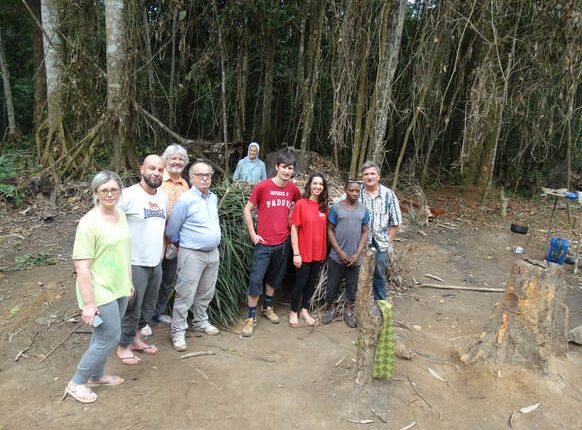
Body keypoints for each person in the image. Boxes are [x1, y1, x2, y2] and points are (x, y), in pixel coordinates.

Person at [64, 171, 132, 403]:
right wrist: (89, 304)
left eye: (114, 189)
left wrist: (129, 281)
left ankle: (97, 375)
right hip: (98, 288)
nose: (110, 194)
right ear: (95, 193)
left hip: (119, 284)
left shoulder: (121, 215)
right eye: (104, 190)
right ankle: (77, 381)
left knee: (103, 334)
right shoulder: (88, 224)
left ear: (120, 191)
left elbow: (125, 251)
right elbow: (82, 267)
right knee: (110, 336)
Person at [241, 152, 301, 337]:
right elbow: (248, 209)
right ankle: (251, 316)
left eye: (290, 168)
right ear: (276, 167)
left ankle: (267, 307)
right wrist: (253, 234)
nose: (286, 171)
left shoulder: (293, 189)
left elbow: (300, 207)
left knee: (275, 278)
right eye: (283, 167)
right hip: (264, 243)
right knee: (256, 280)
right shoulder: (263, 186)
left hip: (282, 243)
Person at [116, 155, 168, 365]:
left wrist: (163, 252)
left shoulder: (163, 197)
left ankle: (136, 339)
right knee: (132, 306)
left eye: (159, 169)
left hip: (155, 261)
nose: (156, 173)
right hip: (133, 261)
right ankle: (123, 346)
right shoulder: (127, 195)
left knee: (148, 305)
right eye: (152, 168)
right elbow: (112, 225)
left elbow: (161, 227)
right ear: (142, 169)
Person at [167, 161, 221, 352]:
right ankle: (178, 331)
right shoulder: (186, 199)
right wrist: (182, 244)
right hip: (192, 254)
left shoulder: (213, 198)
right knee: (185, 293)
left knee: (206, 291)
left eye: (208, 174)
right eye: (200, 175)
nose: (205, 178)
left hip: (213, 253)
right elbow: (172, 228)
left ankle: (200, 321)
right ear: (191, 178)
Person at [322, 179, 369, 328]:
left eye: (357, 191)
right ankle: (332, 309)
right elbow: (330, 229)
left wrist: (357, 253)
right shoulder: (336, 208)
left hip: (355, 258)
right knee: (332, 285)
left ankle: (348, 311)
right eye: (351, 190)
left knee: (352, 285)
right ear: (345, 190)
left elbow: (365, 231)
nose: (354, 193)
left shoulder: (363, 210)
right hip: (337, 257)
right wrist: (339, 252)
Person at [152, 144, 190, 326]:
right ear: (166, 160)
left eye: (181, 159)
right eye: (173, 158)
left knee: (168, 280)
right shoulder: (157, 180)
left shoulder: (185, 185)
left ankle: (157, 313)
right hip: (156, 239)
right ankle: (143, 319)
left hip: (176, 242)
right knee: (152, 279)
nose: (177, 162)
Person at [289, 173, 329, 327]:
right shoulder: (301, 203)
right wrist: (296, 253)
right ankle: (293, 311)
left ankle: (304, 310)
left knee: (311, 283)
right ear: (310, 185)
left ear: (323, 187)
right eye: (315, 183)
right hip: (303, 253)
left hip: (318, 253)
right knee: (300, 283)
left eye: (321, 184)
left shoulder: (324, 207)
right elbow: (294, 229)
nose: (318, 186)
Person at [359, 161, 401, 300]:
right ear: (362, 177)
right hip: (359, 244)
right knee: (358, 275)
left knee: (379, 276)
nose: (369, 177)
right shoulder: (356, 192)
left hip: (380, 244)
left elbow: (395, 222)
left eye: (372, 174)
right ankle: (358, 305)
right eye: (366, 174)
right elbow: (340, 207)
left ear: (378, 176)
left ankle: (381, 305)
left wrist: (387, 241)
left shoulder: (388, 195)